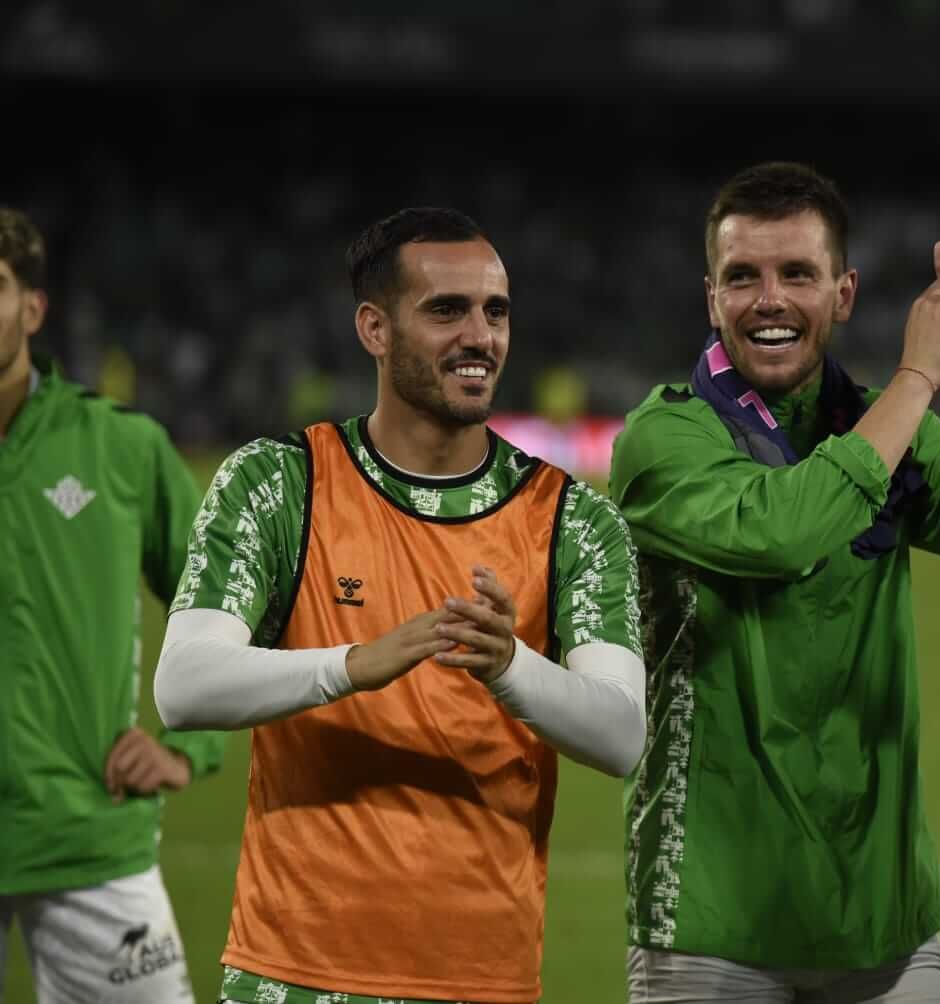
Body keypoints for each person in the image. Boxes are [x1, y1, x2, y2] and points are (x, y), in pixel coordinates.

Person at [609, 162, 940, 1002]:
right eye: (742, 277)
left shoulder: (880, 424)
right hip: (715, 914)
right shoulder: (664, 436)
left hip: (880, 912)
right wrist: (914, 382)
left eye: (798, 274)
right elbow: (783, 533)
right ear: (711, 299)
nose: (770, 299)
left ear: (844, 293)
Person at [151, 207, 647, 1004]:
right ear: (374, 329)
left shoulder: (572, 521)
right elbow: (182, 686)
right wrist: (353, 665)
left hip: (482, 983)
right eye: (446, 310)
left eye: (496, 311)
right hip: (293, 977)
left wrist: (509, 665)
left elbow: (624, 734)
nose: (480, 335)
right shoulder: (281, 484)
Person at [0, 206, 224, 1001]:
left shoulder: (121, 450)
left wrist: (185, 748)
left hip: (89, 836)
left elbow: (237, 612)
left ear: (32, 307)